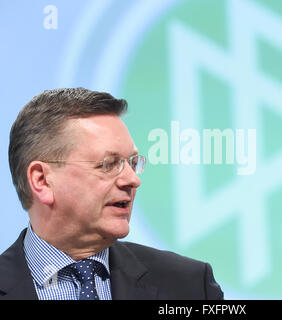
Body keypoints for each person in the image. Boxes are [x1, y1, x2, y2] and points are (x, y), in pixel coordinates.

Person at [0, 88, 223, 300]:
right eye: (109, 164)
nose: (133, 180)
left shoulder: (189, 285)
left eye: (133, 163)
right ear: (42, 180)